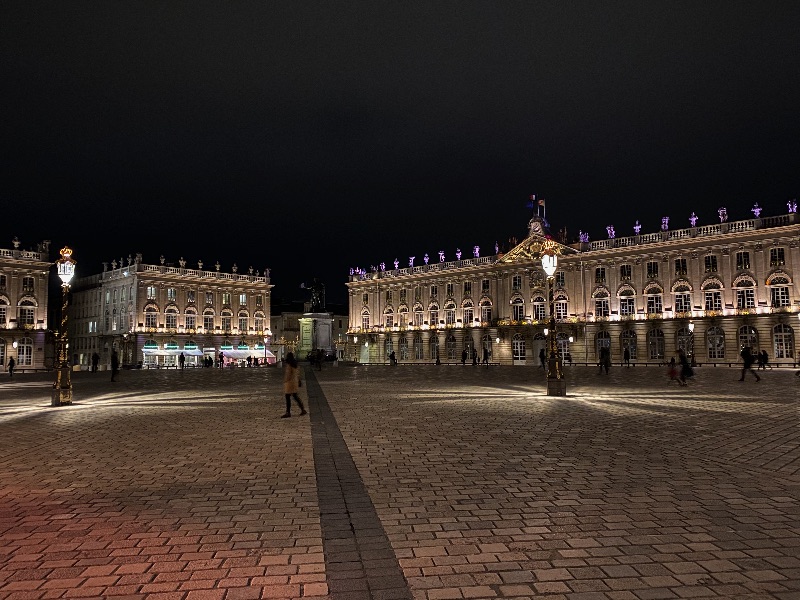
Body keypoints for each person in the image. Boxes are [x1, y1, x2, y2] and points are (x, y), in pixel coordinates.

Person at [281, 352, 306, 418]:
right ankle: (302, 409)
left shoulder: (289, 365)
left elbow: (288, 374)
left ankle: (288, 412)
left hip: (289, 383)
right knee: (295, 397)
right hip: (294, 382)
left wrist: (285, 380)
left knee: (288, 398)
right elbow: (298, 373)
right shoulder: (295, 364)